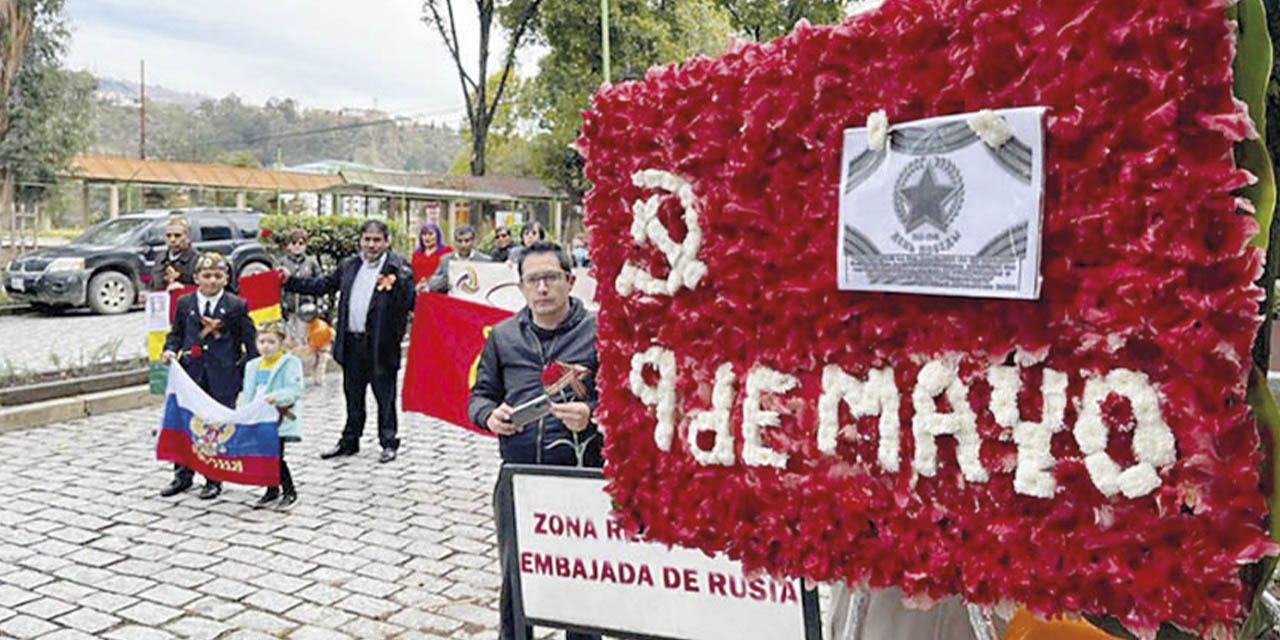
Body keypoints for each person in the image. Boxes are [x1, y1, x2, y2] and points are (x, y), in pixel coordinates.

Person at [468, 241, 601, 640]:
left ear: (570, 280)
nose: (542, 288)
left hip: (582, 476)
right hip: (519, 476)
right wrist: (489, 416)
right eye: (533, 280)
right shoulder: (503, 336)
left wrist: (592, 414)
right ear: (521, 286)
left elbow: (629, 401)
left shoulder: (599, 332)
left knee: (584, 579)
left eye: (551, 278)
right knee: (516, 579)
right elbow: (480, 395)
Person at [283, 219, 414, 464]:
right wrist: (290, 281)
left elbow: (411, 303)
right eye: (367, 239)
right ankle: (350, 440)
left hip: (381, 345)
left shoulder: (398, 269)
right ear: (360, 241)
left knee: (384, 396)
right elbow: (323, 285)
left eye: (377, 240)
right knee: (353, 395)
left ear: (387, 242)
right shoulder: (349, 265)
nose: (372, 245)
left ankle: (388, 441)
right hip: (352, 343)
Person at [160, 252, 259, 500]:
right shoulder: (185, 303)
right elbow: (176, 333)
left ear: (226, 278)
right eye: (206, 275)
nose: (212, 281)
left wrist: (246, 372)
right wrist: (170, 350)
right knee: (186, 424)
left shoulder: (236, 305)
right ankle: (182, 474)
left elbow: (250, 342)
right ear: (196, 278)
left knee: (216, 426)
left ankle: (213, 477)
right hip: (191, 375)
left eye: (217, 275)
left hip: (223, 375)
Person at [237, 321, 304, 509]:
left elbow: (295, 389)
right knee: (263, 455)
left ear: (281, 343)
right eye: (262, 342)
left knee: (275, 454)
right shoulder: (253, 365)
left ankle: (289, 491)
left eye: (271, 342)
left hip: (277, 417)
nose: (266, 346)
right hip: (258, 415)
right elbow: (248, 392)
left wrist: (278, 397)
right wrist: (244, 413)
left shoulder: (290, 363)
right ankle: (271, 489)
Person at [427, 225, 492, 292]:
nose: (463, 245)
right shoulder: (446, 260)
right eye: (460, 241)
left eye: (467, 241)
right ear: (455, 242)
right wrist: (446, 278)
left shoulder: (484, 260)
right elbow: (432, 285)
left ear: (473, 241)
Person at [150, 215, 199, 291]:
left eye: (177, 236)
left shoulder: (197, 260)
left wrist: (184, 288)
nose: (172, 240)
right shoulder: (160, 259)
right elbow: (153, 284)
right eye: (168, 236)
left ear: (187, 237)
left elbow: (204, 290)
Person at [411, 222, 452, 292]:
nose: (427, 237)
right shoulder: (416, 254)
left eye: (430, 234)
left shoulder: (446, 251)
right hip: (419, 291)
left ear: (437, 236)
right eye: (424, 234)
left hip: (440, 292)